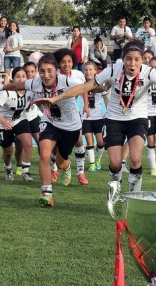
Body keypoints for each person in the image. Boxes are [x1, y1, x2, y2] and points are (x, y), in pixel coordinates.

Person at [33, 40, 156, 193]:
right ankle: (115, 188)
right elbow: (85, 87)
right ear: (123, 59)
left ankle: (134, 195)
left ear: (143, 60)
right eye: (128, 59)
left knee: (134, 158)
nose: (132, 63)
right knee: (115, 163)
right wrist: (56, 98)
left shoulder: (150, 73)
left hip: (138, 119)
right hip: (115, 119)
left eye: (137, 59)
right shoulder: (114, 70)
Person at [0, 53, 85, 206]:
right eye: (42, 71)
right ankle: (46, 193)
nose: (45, 75)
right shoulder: (35, 83)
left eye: (49, 71)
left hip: (70, 126)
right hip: (50, 122)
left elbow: (86, 87)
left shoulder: (68, 81)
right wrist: (0, 86)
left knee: (61, 162)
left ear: (56, 70)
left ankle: (66, 167)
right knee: (44, 153)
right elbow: (16, 86)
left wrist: (101, 87)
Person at [0, 66, 35, 182]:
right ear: (13, 79)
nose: (21, 79)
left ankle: (25, 172)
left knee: (28, 144)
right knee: (8, 152)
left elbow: (38, 101)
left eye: (23, 76)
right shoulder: (7, 93)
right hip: (3, 123)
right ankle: (8, 170)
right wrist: (3, 121)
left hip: (20, 120)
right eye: (18, 76)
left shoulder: (31, 91)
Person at [54, 48, 90, 186]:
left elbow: (84, 89)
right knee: (54, 145)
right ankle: (54, 169)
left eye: (69, 61)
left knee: (79, 141)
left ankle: (80, 173)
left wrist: (86, 105)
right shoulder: (54, 76)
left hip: (73, 114)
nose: (66, 64)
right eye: (62, 62)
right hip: (57, 115)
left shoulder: (78, 75)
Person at [13, 61, 41, 175]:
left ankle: (44, 163)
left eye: (32, 72)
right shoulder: (17, 86)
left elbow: (41, 101)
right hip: (20, 120)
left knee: (42, 142)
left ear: (36, 72)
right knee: (19, 147)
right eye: (27, 72)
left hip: (33, 118)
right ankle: (19, 165)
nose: (30, 74)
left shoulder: (37, 86)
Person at [82, 61, 109, 172]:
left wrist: (109, 111)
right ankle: (92, 164)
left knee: (101, 142)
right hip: (86, 117)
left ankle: (98, 159)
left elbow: (106, 98)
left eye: (90, 70)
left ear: (95, 71)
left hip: (98, 117)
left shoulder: (100, 84)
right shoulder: (81, 83)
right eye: (86, 70)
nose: (88, 72)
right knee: (89, 142)